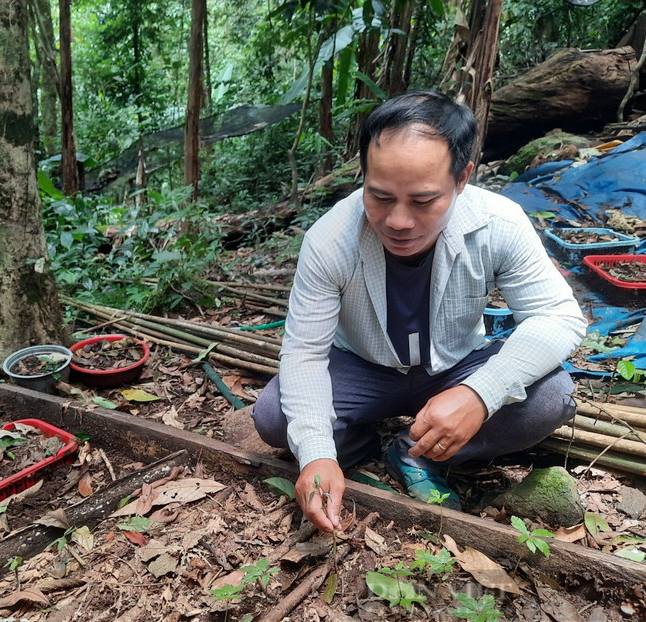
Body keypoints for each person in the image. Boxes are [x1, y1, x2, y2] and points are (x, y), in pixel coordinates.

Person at [251, 91, 586, 533]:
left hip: (457, 366)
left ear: (462, 178)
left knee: (552, 398)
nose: (399, 221)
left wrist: (480, 393)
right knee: (275, 416)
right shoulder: (330, 239)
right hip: (362, 368)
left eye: (424, 201)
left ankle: (412, 450)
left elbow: (559, 316)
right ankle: (352, 445)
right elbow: (305, 355)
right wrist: (315, 452)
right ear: (363, 175)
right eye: (381, 197)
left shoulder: (498, 224)